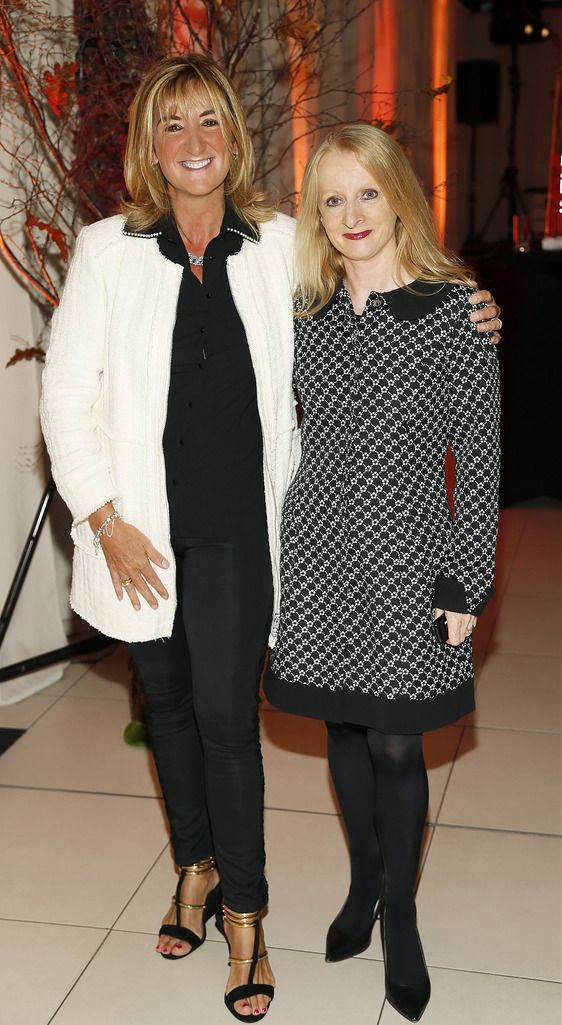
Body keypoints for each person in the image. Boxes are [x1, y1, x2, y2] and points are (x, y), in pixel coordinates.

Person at [40, 54, 501, 1022]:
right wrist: (103, 517)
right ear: (149, 147)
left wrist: (472, 300)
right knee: (164, 705)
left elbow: (381, 268)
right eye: (174, 126)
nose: (195, 142)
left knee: (223, 716)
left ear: (234, 139)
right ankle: (194, 870)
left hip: (245, 529)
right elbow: (64, 396)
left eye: (211, 121)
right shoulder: (104, 250)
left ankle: (244, 910)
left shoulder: (279, 243)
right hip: (138, 530)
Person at [265, 123, 500, 1022]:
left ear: (399, 191)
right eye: (332, 199)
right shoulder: (305, 310)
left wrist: (464, 581)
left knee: (400, 742)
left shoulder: (455, 311)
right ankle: (363, 883)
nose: (352, 213)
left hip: (412, 556)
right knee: (346, 726)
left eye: (367, 191)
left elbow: (478, 456)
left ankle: (399, 916)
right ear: (316, 219)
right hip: (320, 550)